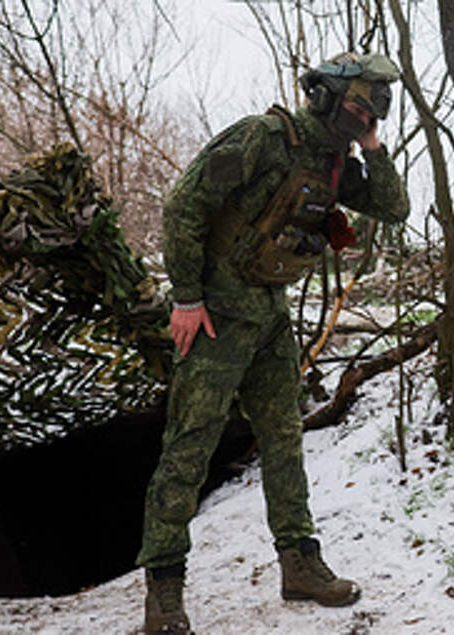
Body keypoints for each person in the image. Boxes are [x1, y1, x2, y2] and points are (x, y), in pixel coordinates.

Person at [136, 52, 409, 634]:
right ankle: (164, 591)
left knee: (284, 440)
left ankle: (300, 564)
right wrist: (187, 298)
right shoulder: (264, 138)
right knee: (188, 449)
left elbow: (393, 207)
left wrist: (373, 148)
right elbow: (183, 205)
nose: (366, 118)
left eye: (374, 112)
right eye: (361, 108)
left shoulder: (334, 160)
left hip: (270, 319)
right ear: (326, 97)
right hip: (215, 317)